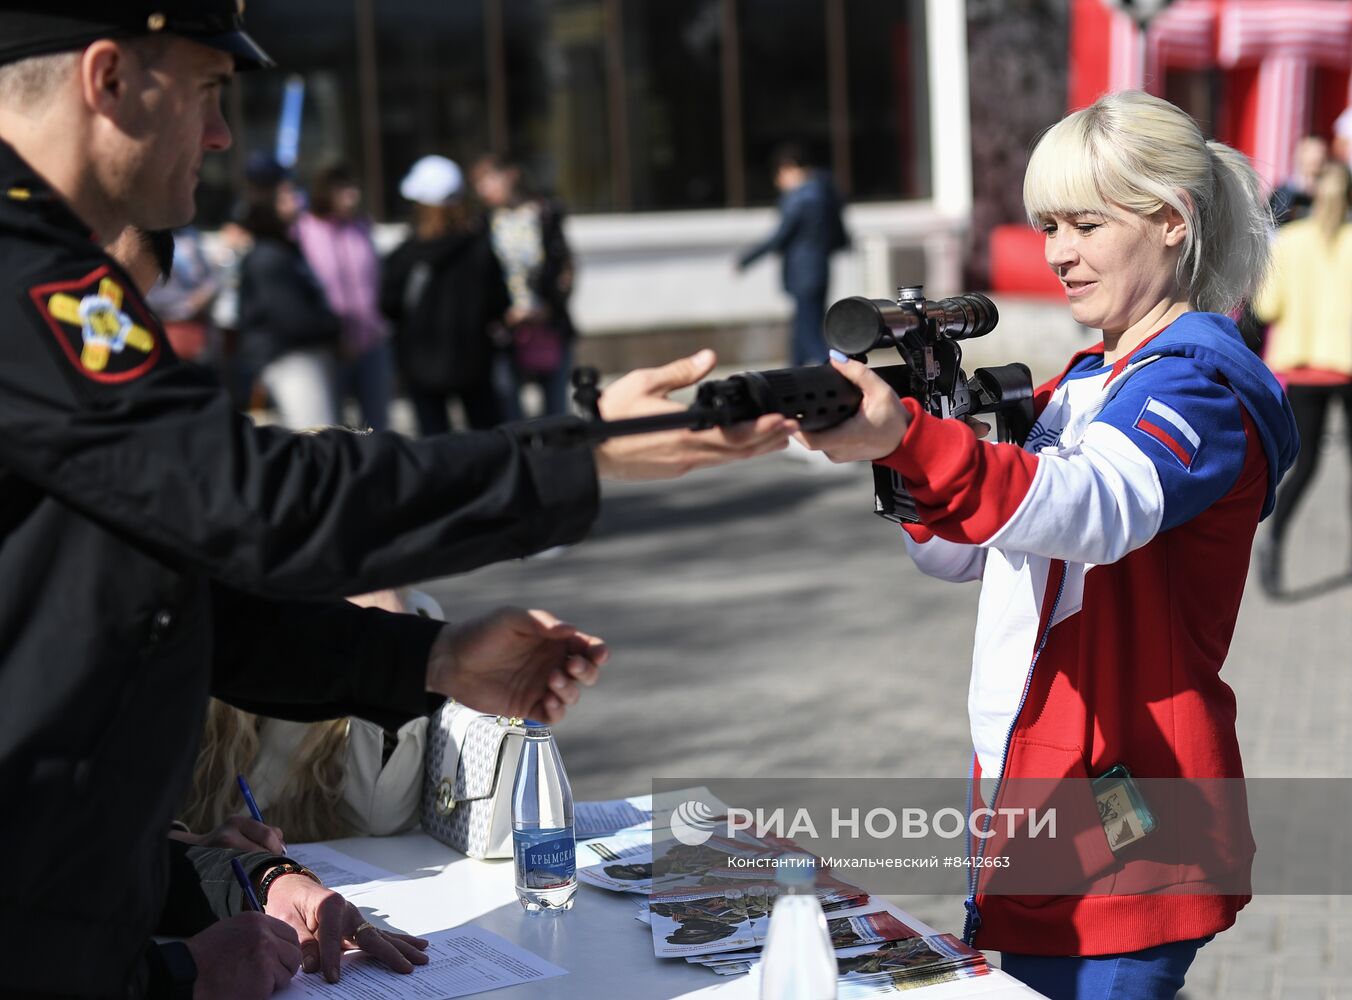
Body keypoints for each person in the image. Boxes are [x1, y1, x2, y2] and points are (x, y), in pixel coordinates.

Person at [0, 6, 793, 998]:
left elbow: (172, 596)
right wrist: (580, 457)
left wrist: (427, 660)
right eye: (206, 92)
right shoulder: (25, 273)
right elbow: (259, 502)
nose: (221, 135)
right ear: (109, 80)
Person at [799, 91, 1298, 999]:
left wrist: (916, 440)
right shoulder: (1089, 381)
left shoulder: (1196, 386)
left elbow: (1092, 508)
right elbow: (957, 554)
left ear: (1173, 221)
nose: (1059, 253)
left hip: (1128, 808)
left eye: (1086, 225)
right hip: (1041, 783)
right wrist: (912, 452)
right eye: (1047, 227)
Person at [1252, 160, 1352, 596]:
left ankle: (1273, 542)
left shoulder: (1289, 242)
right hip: (1347, 364)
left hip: (1303, 366)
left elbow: (1267, 307)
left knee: (1305, 464)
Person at [381, 154, 509, 434]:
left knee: (435, 446)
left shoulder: (406, 255)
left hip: (421, 367)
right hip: (474, 363)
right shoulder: (479, 248)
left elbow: (388, 305)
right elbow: (500, 302)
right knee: (487, 442)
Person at [471, 153, 576, 418]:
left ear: (510, 176)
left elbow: (564, 267)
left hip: (548, 323)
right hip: (506, 330)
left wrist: (550, 306)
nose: (482, 189)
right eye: (478, 183)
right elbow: (482, 278)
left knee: (555, 412)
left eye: (488, 180)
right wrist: (502, 314)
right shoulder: (483, 223)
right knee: (511, 412)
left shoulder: (545, 213)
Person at [296, 160, 393, 431]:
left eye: (353, 189)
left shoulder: (361, 227)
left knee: (376, 424)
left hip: (371, 338)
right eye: (343, 189)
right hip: (330, 343)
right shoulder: (304, 230)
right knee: (331, 425)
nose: (352, 196)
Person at [238, 183, 343, 428]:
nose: (297, 201)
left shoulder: (285, 249)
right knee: (316, 434)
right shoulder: (268, 257)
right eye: (286, 198)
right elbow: (292, 319)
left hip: (303, 354)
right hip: (290, 358)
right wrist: (334, 327)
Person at [737, 142, 850, 366]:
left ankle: (839, 370)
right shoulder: (823, 192)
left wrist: (746, 259)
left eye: (780, 174)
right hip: (818, 270)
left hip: (804, 273)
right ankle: (795, 373)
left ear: (791, 168)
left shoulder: (804, 198)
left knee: (810, 335)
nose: (779, 182)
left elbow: (780, 236)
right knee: (802, 333)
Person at [1268, 135, 1329, 227]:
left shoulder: (1330, 192)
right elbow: (1274, 223)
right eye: (1311, 151)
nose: (1317, 156)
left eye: (1320, 152)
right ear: (1299, 155)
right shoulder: (1284, 192)